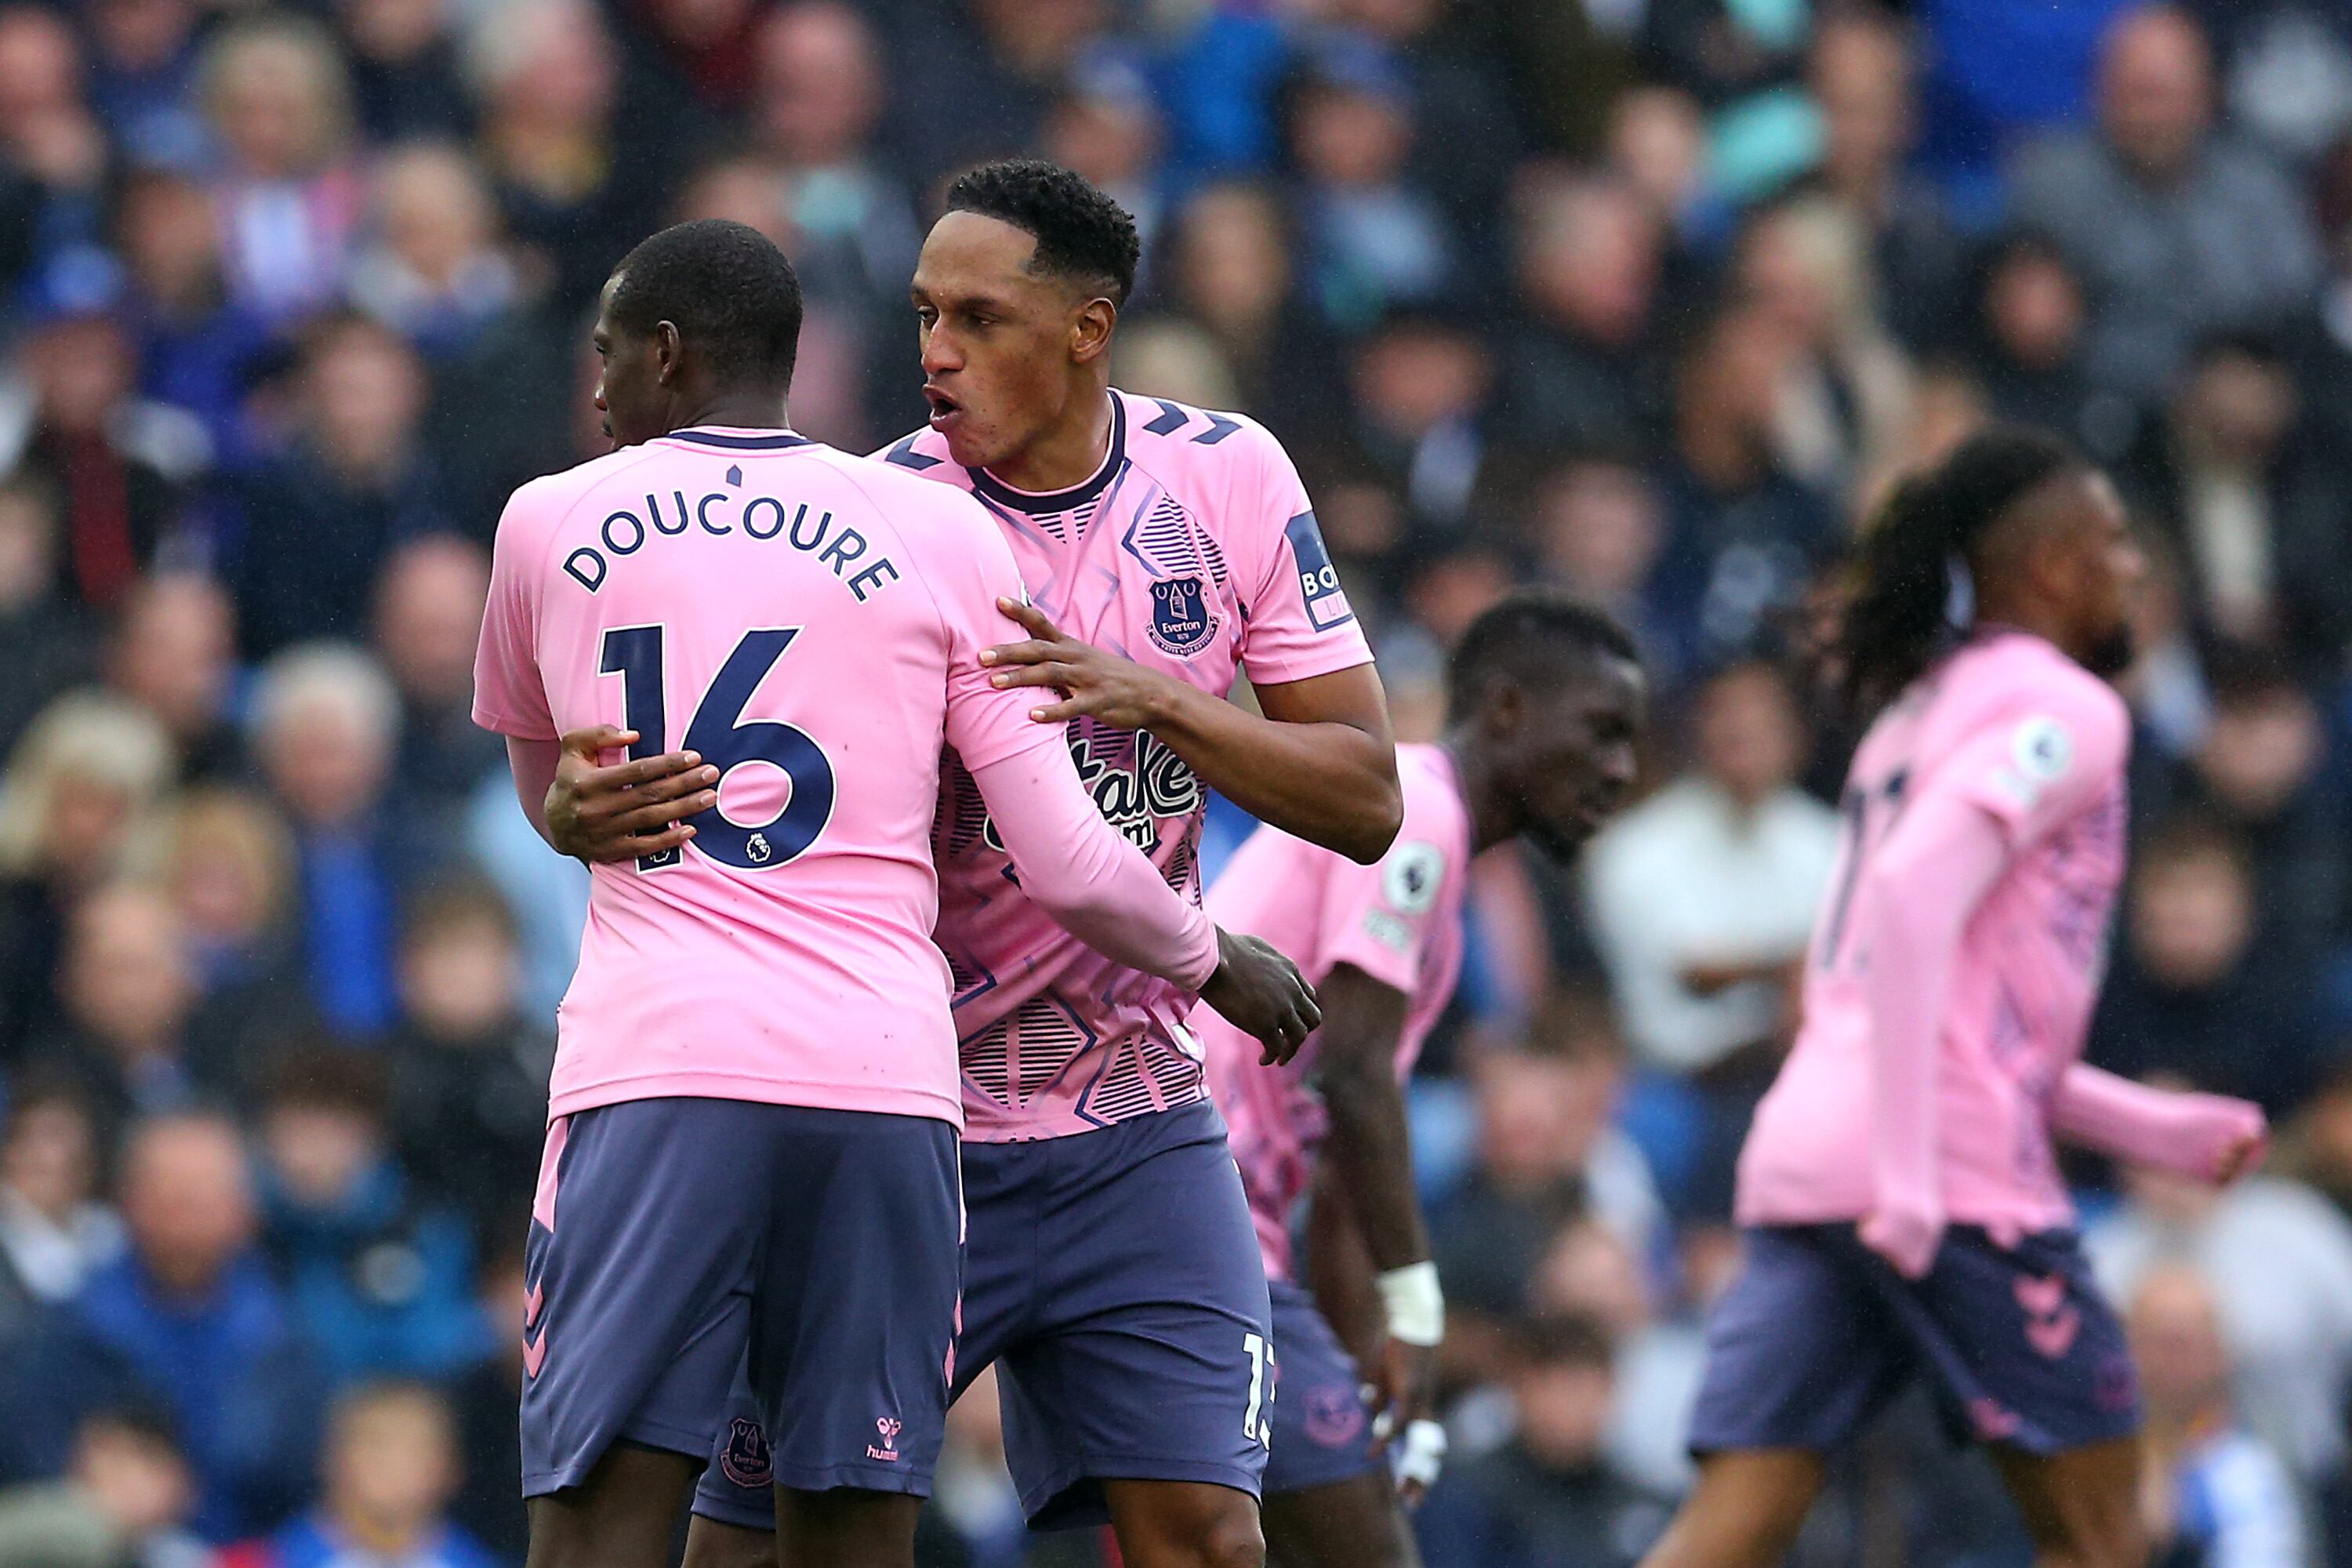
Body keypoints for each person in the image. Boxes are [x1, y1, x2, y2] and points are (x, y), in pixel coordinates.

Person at [550, 162, 1404, 1568]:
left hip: (1140, 1122)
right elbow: (740, 799)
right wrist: (581, 810)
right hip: (909, 1129)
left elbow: (1366, 798)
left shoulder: (1229, 473)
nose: (935, 352)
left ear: (1088, 326)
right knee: (755, 1550)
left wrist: (1163, 699)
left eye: (979, 318)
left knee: (1213, 1540)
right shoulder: (869, 519)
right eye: (924, 314)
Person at [1636, 428, 2267, 1568]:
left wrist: (2155, 1126)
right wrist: (1917, 1179)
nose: (2133, 567)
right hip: (1944, 1177)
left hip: (1811, 1163)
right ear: (2048, 566)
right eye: (2113, 540)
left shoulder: (1908, 719)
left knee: (1726, 1535)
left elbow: (1943, 1013)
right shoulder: (2068, 710)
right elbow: (1916, 898)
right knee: (2105, 1534)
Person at [1193, 593, 1646, 1568]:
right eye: (1604, 731)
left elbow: (1347, 1161)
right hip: (1192, 1212)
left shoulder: (1436, 869)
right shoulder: (1417, 807)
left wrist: (1376, 1380)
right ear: (1511, 711)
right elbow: (1356, 1079)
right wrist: (1418, 1312)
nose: (1621, 770)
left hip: (1232, 1231)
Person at [220, 1382, 499, 1568]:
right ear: (331, 1460)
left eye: (415, 1448)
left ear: (450, 1470)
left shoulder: (478, 1562)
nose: (394, 1465)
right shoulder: (262, 1561)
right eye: (375, 1445)